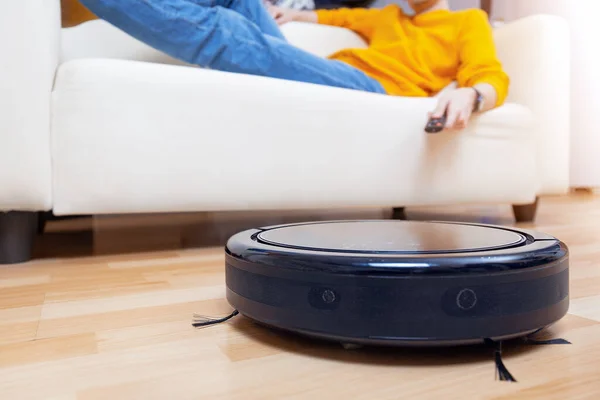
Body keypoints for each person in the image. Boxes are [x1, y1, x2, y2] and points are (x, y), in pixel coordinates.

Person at [78, 0, 508, 131]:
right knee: (240, 2)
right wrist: (289, 14)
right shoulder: (386, 16)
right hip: (332, 74)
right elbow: (336, 17)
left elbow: (488, 73)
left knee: (229, 29)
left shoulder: (465, 21)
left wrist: (473, 95)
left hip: (375, 92)